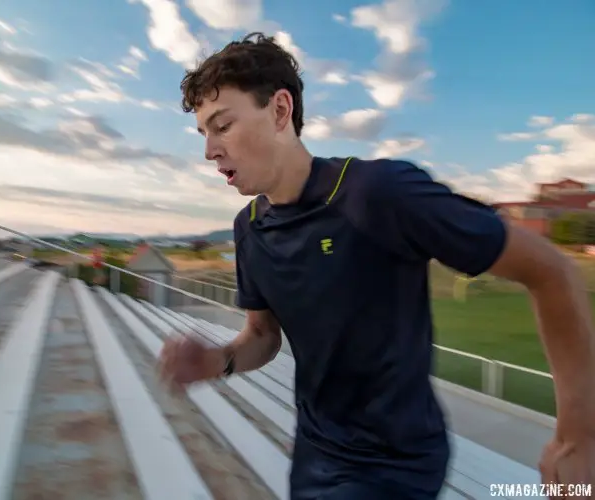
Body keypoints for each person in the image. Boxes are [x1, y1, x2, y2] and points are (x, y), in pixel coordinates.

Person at [158, 32, 595, 499]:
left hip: (398, 465)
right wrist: (216, 361)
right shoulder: (248, 228)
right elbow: (262, 338)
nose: (209, 150)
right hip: (315, 453)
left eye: (222, 126)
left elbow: (551, 269)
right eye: (203, 133)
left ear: (280, 111)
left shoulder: (380, 194)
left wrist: (579, 438)